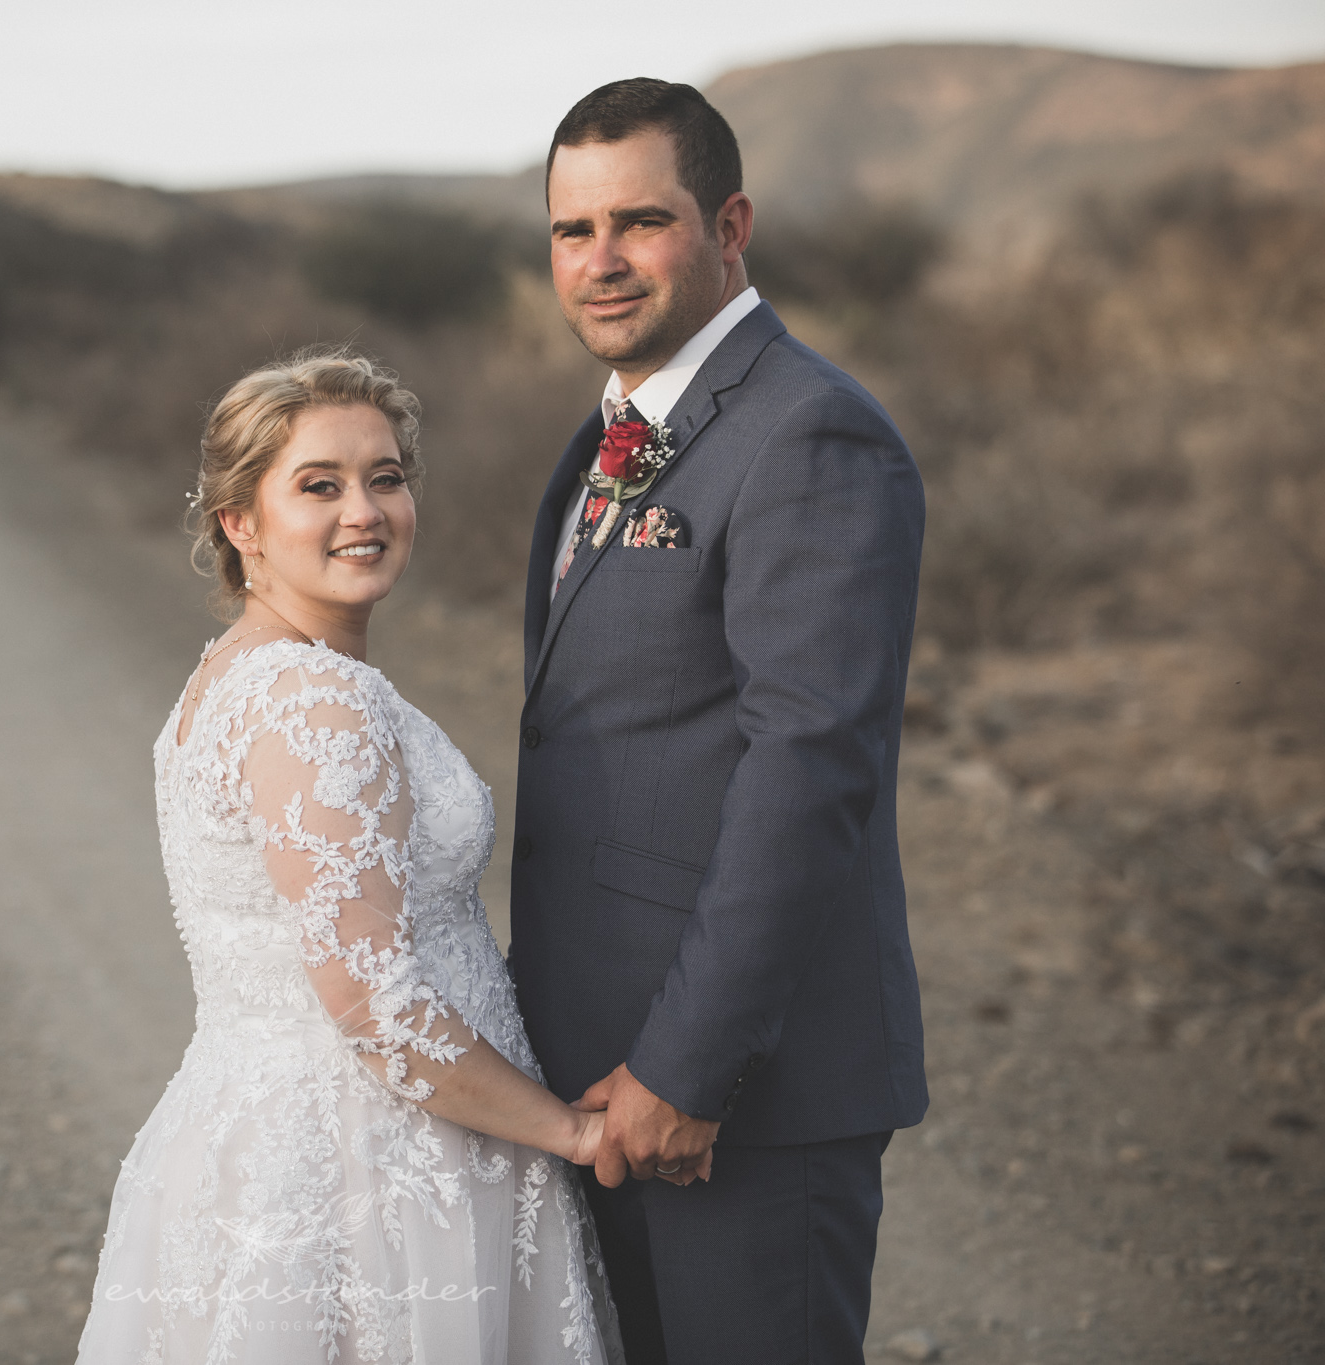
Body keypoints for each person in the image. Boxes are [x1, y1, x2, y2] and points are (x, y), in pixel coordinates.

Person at [77, 350, 625, 1363]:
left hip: (277, 1135)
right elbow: (374, 1005)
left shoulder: (237, 674)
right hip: (372, 1169)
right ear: (241, 523)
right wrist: (570, 1133)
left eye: (385, 477)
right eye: (318, 486)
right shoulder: (313, 699)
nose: (364, 511)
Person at [508, 79, 930, 1365]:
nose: (600, 261)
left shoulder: (810, 433)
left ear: (728, 226)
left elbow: (808, 770)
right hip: (591, 1077)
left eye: (638, 222)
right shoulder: (606, 434)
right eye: (571, 231)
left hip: (737, 1093)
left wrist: (685, 1070)